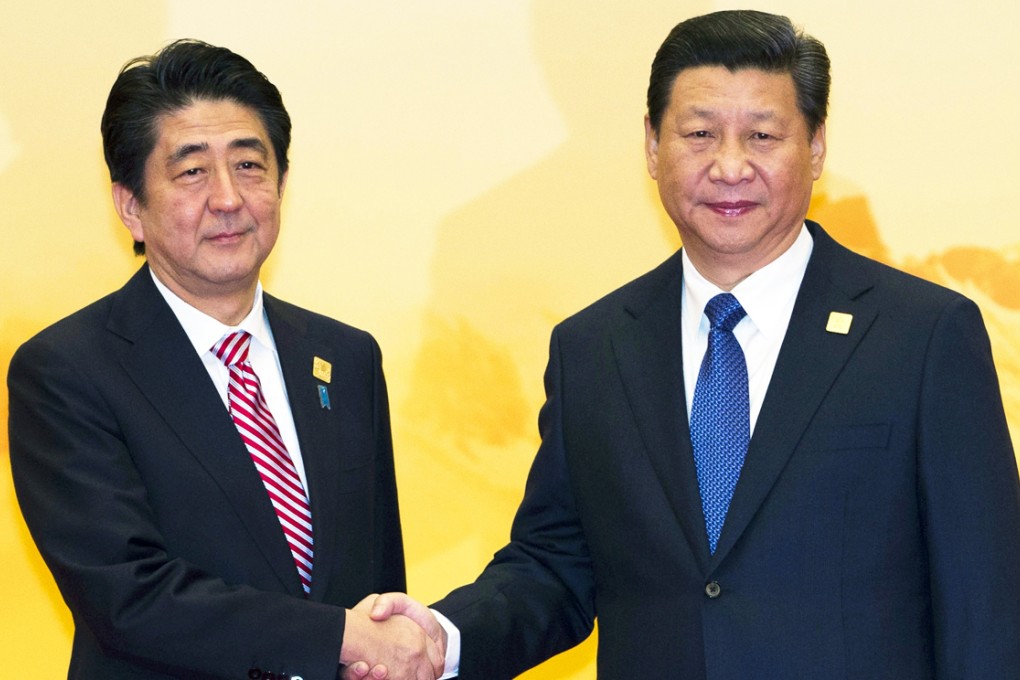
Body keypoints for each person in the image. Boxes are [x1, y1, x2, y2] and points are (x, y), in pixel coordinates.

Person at [359, 9, 1020, 679]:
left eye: (763, 135)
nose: (730, 166)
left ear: (816, 147)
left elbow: (986, 603)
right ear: (651, 145)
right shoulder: (594, 349)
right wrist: (443, 637)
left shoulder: (923, 336)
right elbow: (556, 567)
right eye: (699, 133)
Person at [7, 40, 442, 680]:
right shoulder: (66, 371)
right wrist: (338, 636)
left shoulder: (345, 357)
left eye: (249, 165)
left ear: (282, 182)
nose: (228, 198)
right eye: (191, 172)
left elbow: (378, 589)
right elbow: (129, 598)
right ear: (131, 206)